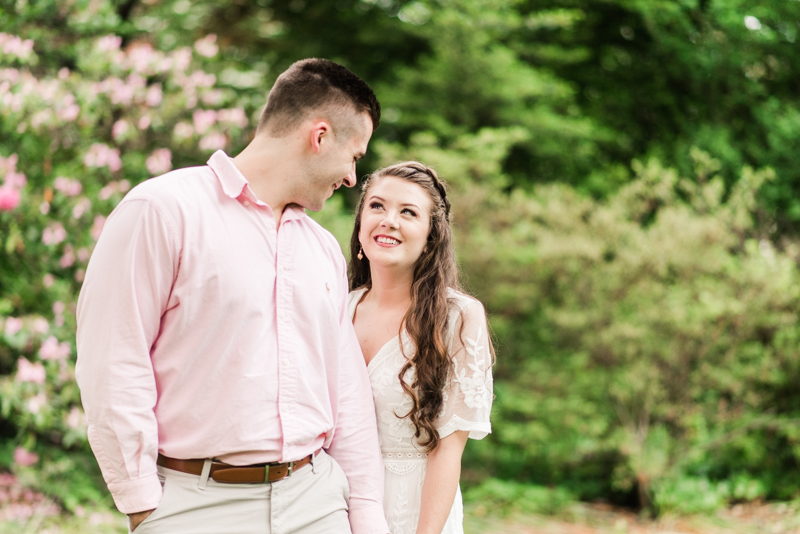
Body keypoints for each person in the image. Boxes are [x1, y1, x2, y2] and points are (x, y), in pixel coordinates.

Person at [76, 58, 389, 534]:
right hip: (196, 508)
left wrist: (365, 517)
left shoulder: (322, 248)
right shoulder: (161, 210)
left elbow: (346, 392)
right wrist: (143, 504)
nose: (351, 177)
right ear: (319, 136)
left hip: (316, 502)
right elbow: (113, 360)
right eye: (355, 156)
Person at [346, 162, 494, 534]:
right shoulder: (336, 308)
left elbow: (449, 449)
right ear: (360, 222)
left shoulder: (458, 317)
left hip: (414, 510)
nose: (388, 220)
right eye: (377, 206)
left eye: (408, 212)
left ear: (431, 235)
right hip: (335, 506)